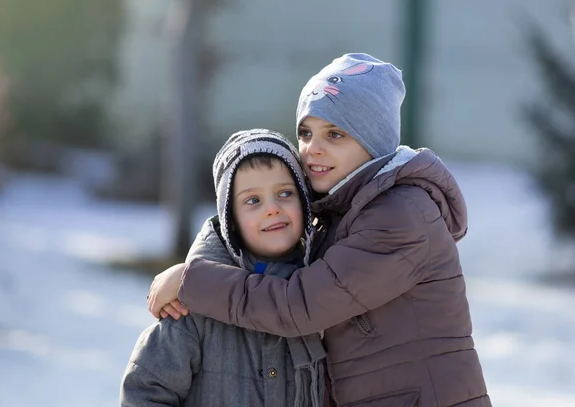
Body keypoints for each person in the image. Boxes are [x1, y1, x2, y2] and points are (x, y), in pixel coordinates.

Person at [147, 53, 492, 407]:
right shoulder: (341, 210)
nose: (313, 149)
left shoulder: (401, 216)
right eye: (305, 133)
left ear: (374, 142)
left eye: (335, 134)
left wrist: (193, 280)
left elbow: (299, 305)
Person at [122, 129, 326, 407]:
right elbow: (145, 391)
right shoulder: (195, 303)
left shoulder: (320, 291)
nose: (272, 208)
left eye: (285, 193)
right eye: (253, 200)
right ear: (231, 220)